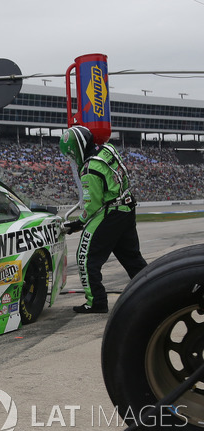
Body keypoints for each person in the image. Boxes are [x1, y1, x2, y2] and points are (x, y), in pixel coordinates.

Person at [59, 125, 147, 313]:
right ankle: (154, 292)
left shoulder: (89, 170)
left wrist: (76, 224)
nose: (72, 159)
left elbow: (92, 207)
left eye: (71, 154)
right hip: (128, 207)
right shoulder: (109, 149)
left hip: (112, 212)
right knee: (132, 258)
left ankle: (96, 301)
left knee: (85, 257)